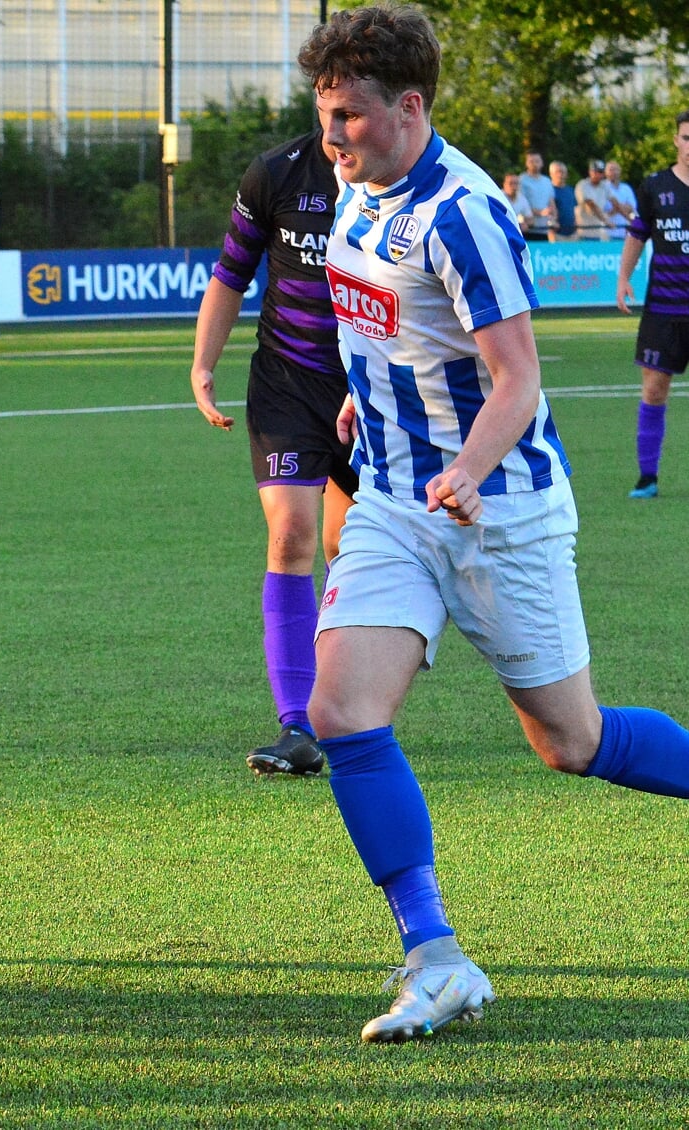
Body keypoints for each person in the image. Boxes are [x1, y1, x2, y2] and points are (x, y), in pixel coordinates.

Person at [300, 5, 689, 1044]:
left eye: (346, 117)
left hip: (496, 512)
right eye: (323, 114)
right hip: (389, 501)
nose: (328, 136)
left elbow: (515, 377)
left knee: (573, 741)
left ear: (408, 107)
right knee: (339, 713)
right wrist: (361, 392)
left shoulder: (463, 212)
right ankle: (434, 957)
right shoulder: (352, 192)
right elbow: (378, 321)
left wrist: (467, 468)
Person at [189, 126, 354, 778]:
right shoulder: (275, 173)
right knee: (290, 534)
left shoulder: (402, 178)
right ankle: (298, 726)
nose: (338, 121)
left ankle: (348, 706)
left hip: (371, 392)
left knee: (351, 554)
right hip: (287, 387)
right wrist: (202, 365)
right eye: (326, 99)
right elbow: (231, 272)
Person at [616, 110, 689, 499]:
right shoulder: (654, 187)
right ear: (676, 141)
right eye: (686, 137)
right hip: (663, 310)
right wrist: (623, 278)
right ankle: (648, 477)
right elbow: (637, 235)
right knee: (654, 390)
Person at [518, 151, 554, 240]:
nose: (534, 164)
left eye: (537, 161)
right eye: (531, 161)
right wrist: (541, 212)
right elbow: (521, 203)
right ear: (526, 163)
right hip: (527, 229)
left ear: (542, 163)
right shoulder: (522, 180)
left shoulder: (547, 181)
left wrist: (553, 217)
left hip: (544, 229)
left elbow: (551, 202)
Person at [577, 158, 614, 239]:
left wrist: (631, 220)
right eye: (595, 171)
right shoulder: (582, 185)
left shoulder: (604, 186)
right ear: (590, 172)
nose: (598, 175)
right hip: (584, 232)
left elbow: (616, 203)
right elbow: (591, 205)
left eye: (601, 172)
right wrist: (605, 220)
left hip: (598, 232)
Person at [606, 159, 638, 240]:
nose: (613, 172)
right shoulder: (603, 188)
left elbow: (632, 207)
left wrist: (616, 206)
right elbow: (605, 210)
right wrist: (623, 207)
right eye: (611, 170)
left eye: (616, 169)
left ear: (620, 171)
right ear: (606, 172)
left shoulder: (626, 188)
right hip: (607, 233)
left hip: (625, 233)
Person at [549, 160, 578, 240]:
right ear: (551, 174)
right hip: (556, 234)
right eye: (557, 172)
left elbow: (575, 209)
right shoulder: (549, 190)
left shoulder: (570, 190)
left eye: (563, 172)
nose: (560, 175)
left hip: (572, 233)